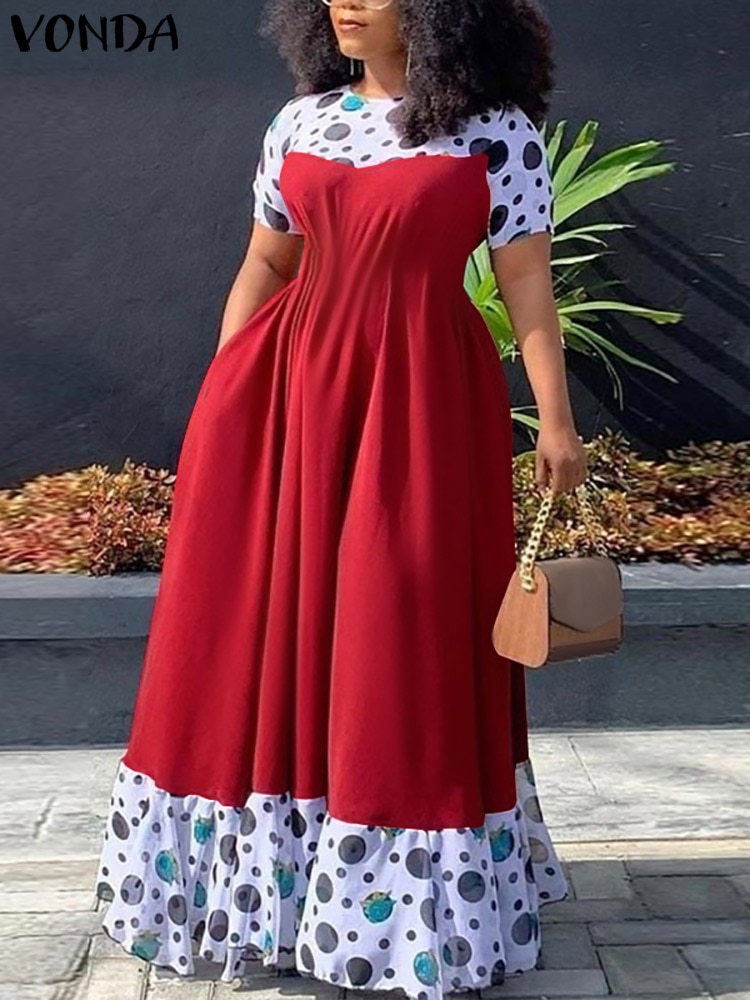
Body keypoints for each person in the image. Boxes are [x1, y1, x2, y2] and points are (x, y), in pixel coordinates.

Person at [94, 0, 588, 997]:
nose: (345, 1)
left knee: (401, 626)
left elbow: (526, 286)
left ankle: (399, 916)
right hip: (288, 397)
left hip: (425, 403)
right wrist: (226, 398)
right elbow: (266, 262)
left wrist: (556, 422)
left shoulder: (496, 134)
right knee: (269, 627)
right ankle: (278, 897)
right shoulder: (300, 121)